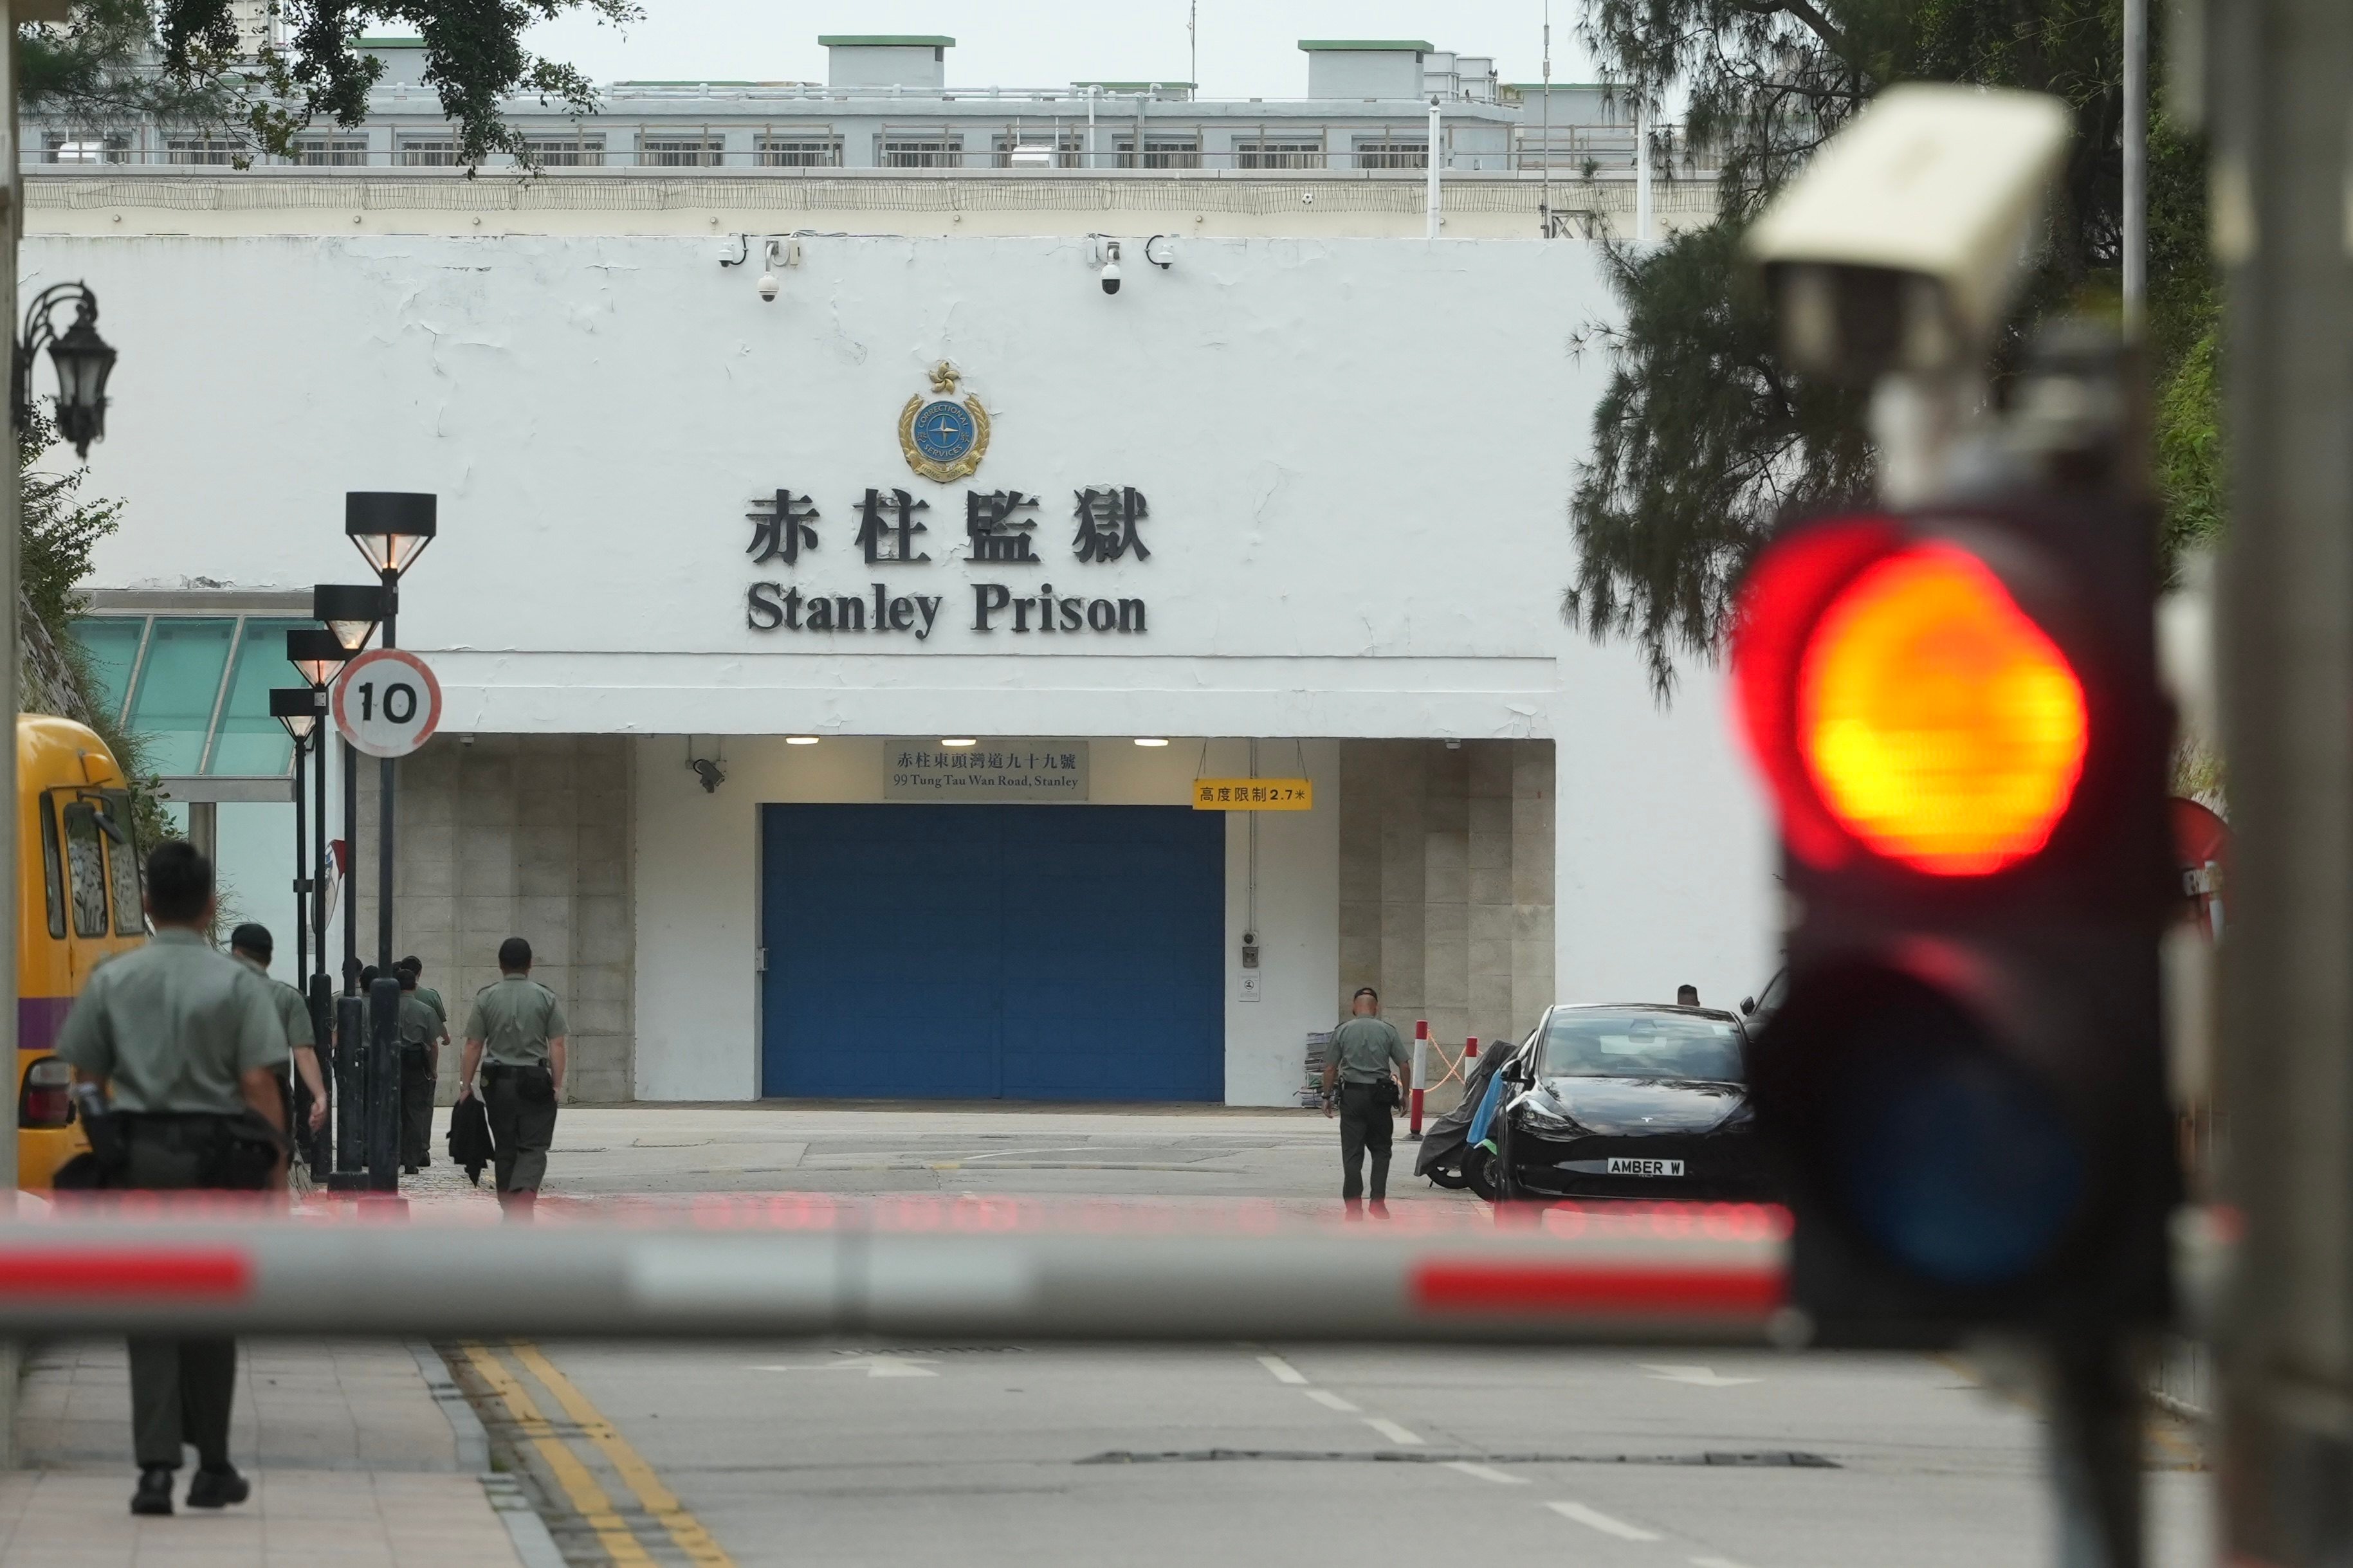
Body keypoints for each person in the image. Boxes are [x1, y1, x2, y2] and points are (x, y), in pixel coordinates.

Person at [55, 842, 289, 1517]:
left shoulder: (111, 978)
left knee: (148, 1307)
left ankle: (155, 1470)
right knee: (212, 1310)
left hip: (139, 1158)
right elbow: (257, 1083)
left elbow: (86, 1081)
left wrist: (112, 1150)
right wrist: (273, 1181)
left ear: (149, 904)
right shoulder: (239, 983)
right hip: (218, 1162)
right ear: (212, 905)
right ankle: (212, 1462)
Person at [456, 936, 568, 1220]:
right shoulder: (546, 997)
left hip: (497, 1080)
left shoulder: (486, 997)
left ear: (500, 964)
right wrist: (556, 1084)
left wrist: (465, 1085)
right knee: (533, 1145)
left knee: (505, 1143)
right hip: (534, 1078)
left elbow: (473, 1045)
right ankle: (525, 1192)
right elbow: (556, 1044)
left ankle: (509, 1205)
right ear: (530, 964)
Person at [226, 924, 329, 1149]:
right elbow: (303, 1051)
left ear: (236, 954)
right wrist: (319, 1095)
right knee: (275, 1154)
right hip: (271, 1090)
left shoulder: (210, 991)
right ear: (268, 958)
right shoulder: (288, 997)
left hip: (219, 1088)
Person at [1320, 986, 1409, 1218]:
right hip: (1380, 1098)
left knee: (1352, 1153)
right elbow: (1404, 1064)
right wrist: (1405, 1095)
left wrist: (1327, 1096)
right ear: (1376, 1008)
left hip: (1352, 1097)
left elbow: (1330, 1067)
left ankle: (1353, 1209)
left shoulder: (1343, 1031)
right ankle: (1378, 1203)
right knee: (1381, 1151)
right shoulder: (1387, 1030)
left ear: (1354, 1006)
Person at [394, 964, 440, 1174]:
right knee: (414, 1113)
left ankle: (392, 1156)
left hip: (392, 1062)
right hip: (416, 1062)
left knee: (392, 1111)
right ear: (414, 987)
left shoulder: (386, 1006)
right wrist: (432, 1070)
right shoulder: (426, 1010)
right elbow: (432, 1044)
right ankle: (411, 1161)